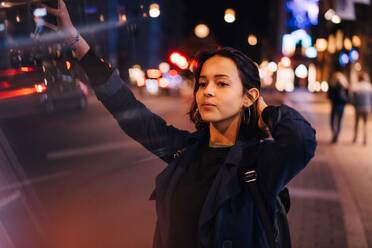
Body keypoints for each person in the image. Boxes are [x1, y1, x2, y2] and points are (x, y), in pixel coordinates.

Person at [45, 1, 317, 247]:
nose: (207, 91)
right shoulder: (185, 150)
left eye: (221, 83)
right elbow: (127, 109)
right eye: (202, 83)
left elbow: (301, 140)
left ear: (249, 96)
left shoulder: (261, 162)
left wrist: (265, 112)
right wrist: (77, 43)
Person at [327, 71, 349, 144]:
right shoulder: (345, 86)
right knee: (339, 121)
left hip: (334, 105)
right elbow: (348, 97)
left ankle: (334, 133)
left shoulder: (332, 85)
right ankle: (337, 135)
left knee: (333, 121)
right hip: (341, 105)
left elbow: (329, 96)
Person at [351, 72, 372, 145]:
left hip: (358, 108)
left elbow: (353, 99)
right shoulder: (369, 86)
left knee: (356, 123)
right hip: (367, 107)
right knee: (365, 123)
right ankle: (365, 139)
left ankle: (355, 138)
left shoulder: (356, 87)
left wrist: (354, 105)